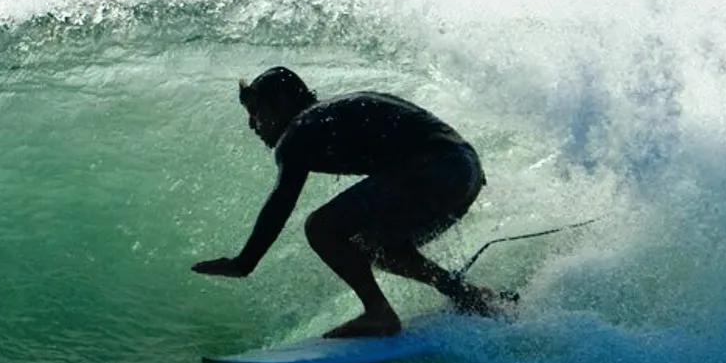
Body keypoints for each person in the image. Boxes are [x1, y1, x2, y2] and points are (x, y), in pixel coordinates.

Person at [191, 66, 501, 338]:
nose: (252, 125)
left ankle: (378, 313)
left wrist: (244, 262)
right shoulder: (329, 116)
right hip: (465, 170)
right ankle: (465, 294)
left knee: (321, 227)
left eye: (256, 112)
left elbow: (282, 200)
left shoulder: (300, 130)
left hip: (436, 167)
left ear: (282, 103)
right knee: (374, 244)